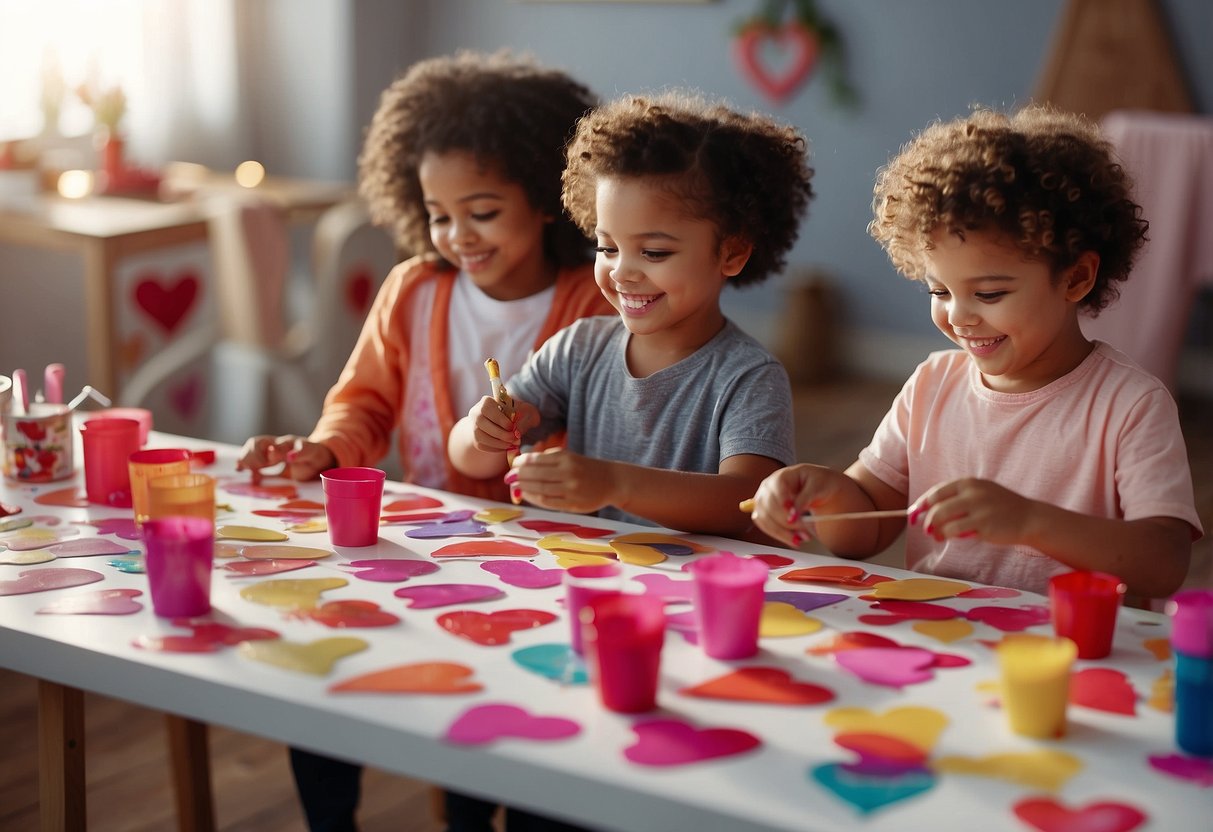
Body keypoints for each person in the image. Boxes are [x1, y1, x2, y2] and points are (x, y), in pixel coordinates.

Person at [236, 51, 611, 832]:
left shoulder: (591, 301)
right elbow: (364, 403)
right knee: (324, 659)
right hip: (430, 547)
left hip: (548, 564)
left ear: (546, 198)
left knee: (504, 717)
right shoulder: (413, 289)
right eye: (439, 214)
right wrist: (324, 450)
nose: (457, 235)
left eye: (481, 210)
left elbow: (610, 429)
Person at [750, 105, 1203, 600]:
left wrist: (1031, 522)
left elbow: (1164, 562)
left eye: (989, 295)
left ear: (1076, 277)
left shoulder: (1131, 404)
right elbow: (865, 529)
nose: (959, 317)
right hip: (955, 634)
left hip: (1078, 649)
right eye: (939, 291)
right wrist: (823, 494)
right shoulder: (931, 384)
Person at [449, 90, 814, 542]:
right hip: (594, 582)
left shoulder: (749, 376)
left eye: (654, 251)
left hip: (694, 594)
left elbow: (746, 502)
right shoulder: (578, 348)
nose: (622, 271)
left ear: (732, 252)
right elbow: (469, 459)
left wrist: (615, 484)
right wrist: (481, 431)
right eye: (607, 247)